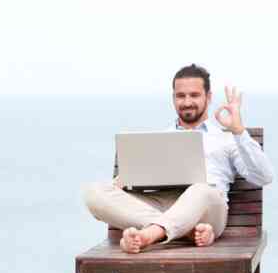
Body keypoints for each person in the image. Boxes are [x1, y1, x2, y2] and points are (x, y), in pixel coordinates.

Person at [83, 64, 274, 254]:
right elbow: (142, 178)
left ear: (208, 97)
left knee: (201, 189)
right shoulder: (161, 139)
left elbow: (264, 177)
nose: (187, 101)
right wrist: (123, 181)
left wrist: (239, 130)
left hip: (207, 209)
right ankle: (187, 232)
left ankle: (148, 236)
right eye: (181, 96)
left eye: (194, 95)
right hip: (168, 203)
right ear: (173, 98)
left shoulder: (227, 138)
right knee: (94, 193)